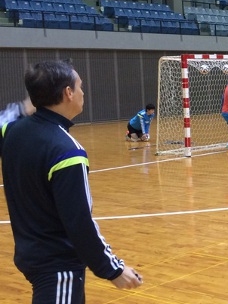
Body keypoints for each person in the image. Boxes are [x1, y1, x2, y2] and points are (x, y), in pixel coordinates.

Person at [0, 60, 142, 303]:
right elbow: (79, 221)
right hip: (58, 265)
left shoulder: (12, 131)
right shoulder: (68, 151)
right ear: (68, 93)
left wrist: (26, 107)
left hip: (30, 254)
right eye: (80, 86)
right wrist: (113, 269)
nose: (83, 92)